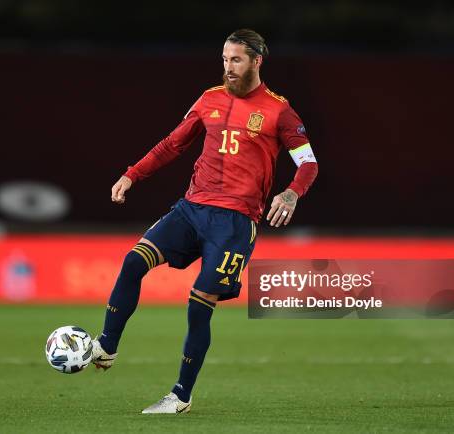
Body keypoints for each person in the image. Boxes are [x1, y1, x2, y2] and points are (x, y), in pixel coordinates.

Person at [89, 28, 319, 414]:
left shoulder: (279, 111)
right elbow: (172, 144)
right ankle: (107, 345)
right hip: (192, 208)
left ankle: (180, 396)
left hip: (234, 221)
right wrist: (132, 174)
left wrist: (291, 192)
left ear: (257, 61)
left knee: (199, 304)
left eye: (237, 59)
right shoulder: (209, 99)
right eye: (225, 59)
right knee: (133, 261)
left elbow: (308, 163)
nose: (228, 67)